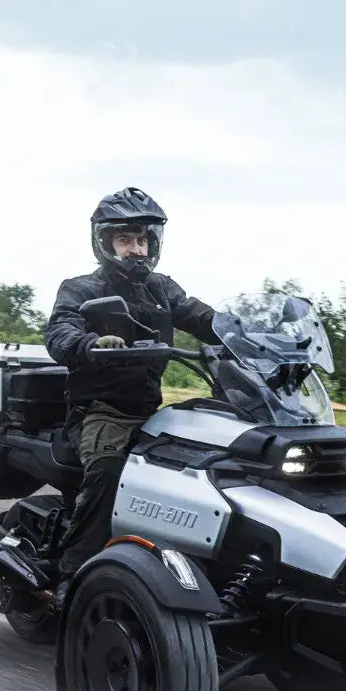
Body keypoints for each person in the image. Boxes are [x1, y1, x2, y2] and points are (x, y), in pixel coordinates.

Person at [43, 187, 221, 594]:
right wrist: (88, 343)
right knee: (107, 471)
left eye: (142, 239)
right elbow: (60, 331)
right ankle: (74, 577)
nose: (135, 248)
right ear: (106, 243)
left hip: (150, 412)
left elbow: (202, 317)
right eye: (125, 239)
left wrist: (250, 334)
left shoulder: (162, 289)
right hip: (100, 411)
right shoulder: (82, 289)